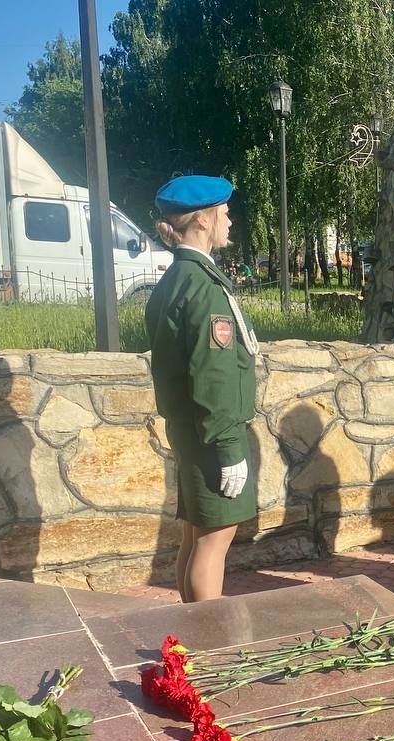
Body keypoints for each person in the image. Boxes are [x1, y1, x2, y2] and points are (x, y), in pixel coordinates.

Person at [145, 175, 259, 603]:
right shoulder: (203, 288)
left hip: (192, 430)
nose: (230, 219)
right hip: (212, 435)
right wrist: (230, 449)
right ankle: (208, 648)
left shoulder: (177, 279)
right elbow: (213, 375)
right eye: (224, 211)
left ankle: (188, 641)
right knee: (213, 542)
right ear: (204, 221)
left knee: (195, 537)